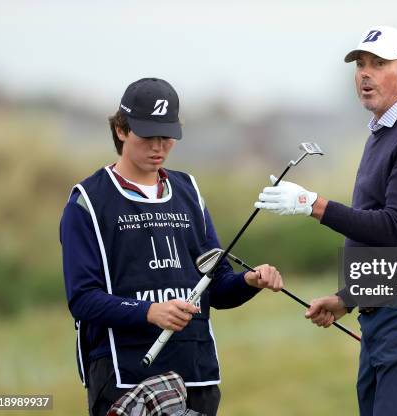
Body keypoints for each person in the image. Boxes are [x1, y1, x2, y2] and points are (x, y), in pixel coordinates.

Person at [254, 26, 397, 415]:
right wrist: (349, 299)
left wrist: (312, 204)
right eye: (361, 64)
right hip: (384, 315)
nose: (365, 73)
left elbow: (395, 229)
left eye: (379, 64)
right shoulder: (383, 134)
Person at [60, 77, 283, 416]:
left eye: (167, 136)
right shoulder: (87, 202)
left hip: (196, 374)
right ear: (121, 130)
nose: (159, 146)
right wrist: (149, 312)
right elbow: (83, 299)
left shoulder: (188, 191)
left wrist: (248, 282)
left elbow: (216, 286)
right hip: (125, 378)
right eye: (148, 135)